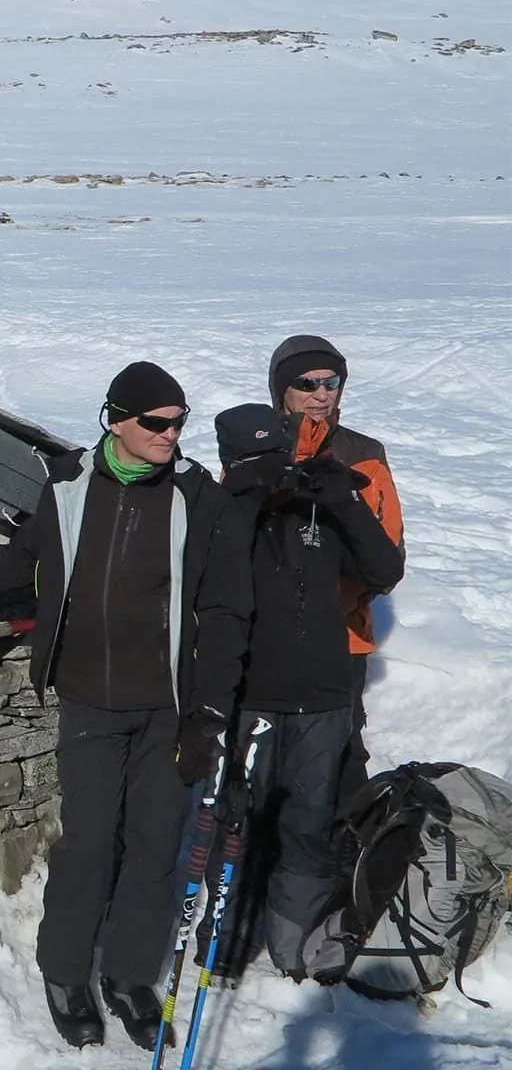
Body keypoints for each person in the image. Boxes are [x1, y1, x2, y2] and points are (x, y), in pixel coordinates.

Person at [0, 362, 252, 1051]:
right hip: (90, 699)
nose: (171, 434)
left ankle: (127, 977)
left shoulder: (199, 501)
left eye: (179, 422)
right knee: (89, 841)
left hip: (170, 709)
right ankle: (64, 973)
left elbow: (229, 610)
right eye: (156, 422)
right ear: (116, 419)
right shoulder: (68, 489)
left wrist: (209, 716)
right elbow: (24, 562)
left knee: (154, 847)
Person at [206, 403, 405, 980]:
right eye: (257, 459)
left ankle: (291, 947)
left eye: (279, 456)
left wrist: (342, 500)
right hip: (252, 699)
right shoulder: (222, 515)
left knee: (309, 829)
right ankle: (222, 943)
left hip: (323, 700)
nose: (274, 470)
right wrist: (246, 496)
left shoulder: (318, 512)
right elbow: (208, 577)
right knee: (236, 821)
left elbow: (382, 570)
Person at [268, 335, 405, 798]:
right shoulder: (256, 449)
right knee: (268, 758)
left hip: (342, 638)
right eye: (307, 383)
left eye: (332, 383)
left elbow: (387, 555)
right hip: (268, 637)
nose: (322, 394)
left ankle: (348, 861)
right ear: (281, 390)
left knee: (343, 757)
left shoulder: (364, 455)